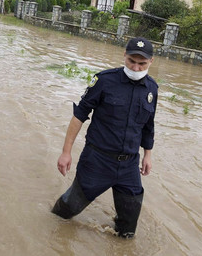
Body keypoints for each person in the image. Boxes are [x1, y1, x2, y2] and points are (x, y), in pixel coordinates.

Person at [52, 37, 158, 238]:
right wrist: (66, 152)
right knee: (66, 210)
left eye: (142, 63)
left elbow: (148, 125)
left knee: (127, 229)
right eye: (131, 61)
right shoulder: (104, 81)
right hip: (97, 161)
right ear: (124, 56)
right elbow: (79, 116)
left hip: (129, 165)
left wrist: (148, 155)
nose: (135, 68)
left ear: (151, 61)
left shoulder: (152, 89)